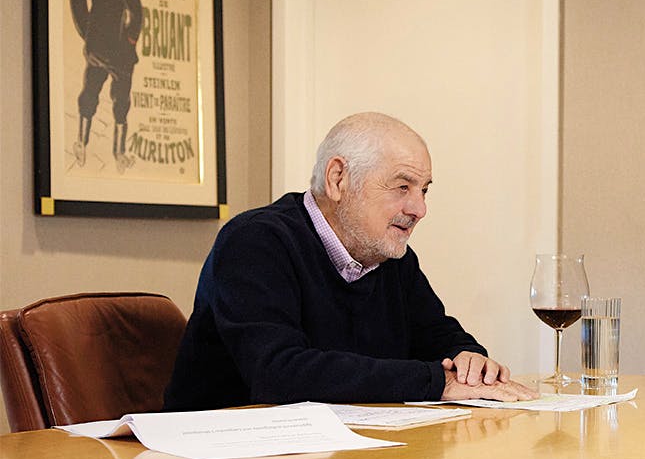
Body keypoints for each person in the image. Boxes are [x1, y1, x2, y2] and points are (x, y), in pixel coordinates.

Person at [165, 112, 536, 410]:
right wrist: (438, 381)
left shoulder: (391, 255)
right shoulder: (255, 241)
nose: (419, 209)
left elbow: (439, 336)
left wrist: (469, 361)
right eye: (402, 187)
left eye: (423, 191)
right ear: (338, 179)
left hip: (340, 457)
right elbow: (278, 373)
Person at [70, 0, 143, 172]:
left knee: (90, 90)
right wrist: (130, 40)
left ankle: (81, 141)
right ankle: (119, 152)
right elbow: (136, 12)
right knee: (121, 98)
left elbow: (77, 1)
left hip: (96, 46)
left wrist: (87, 33)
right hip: (119, 49)